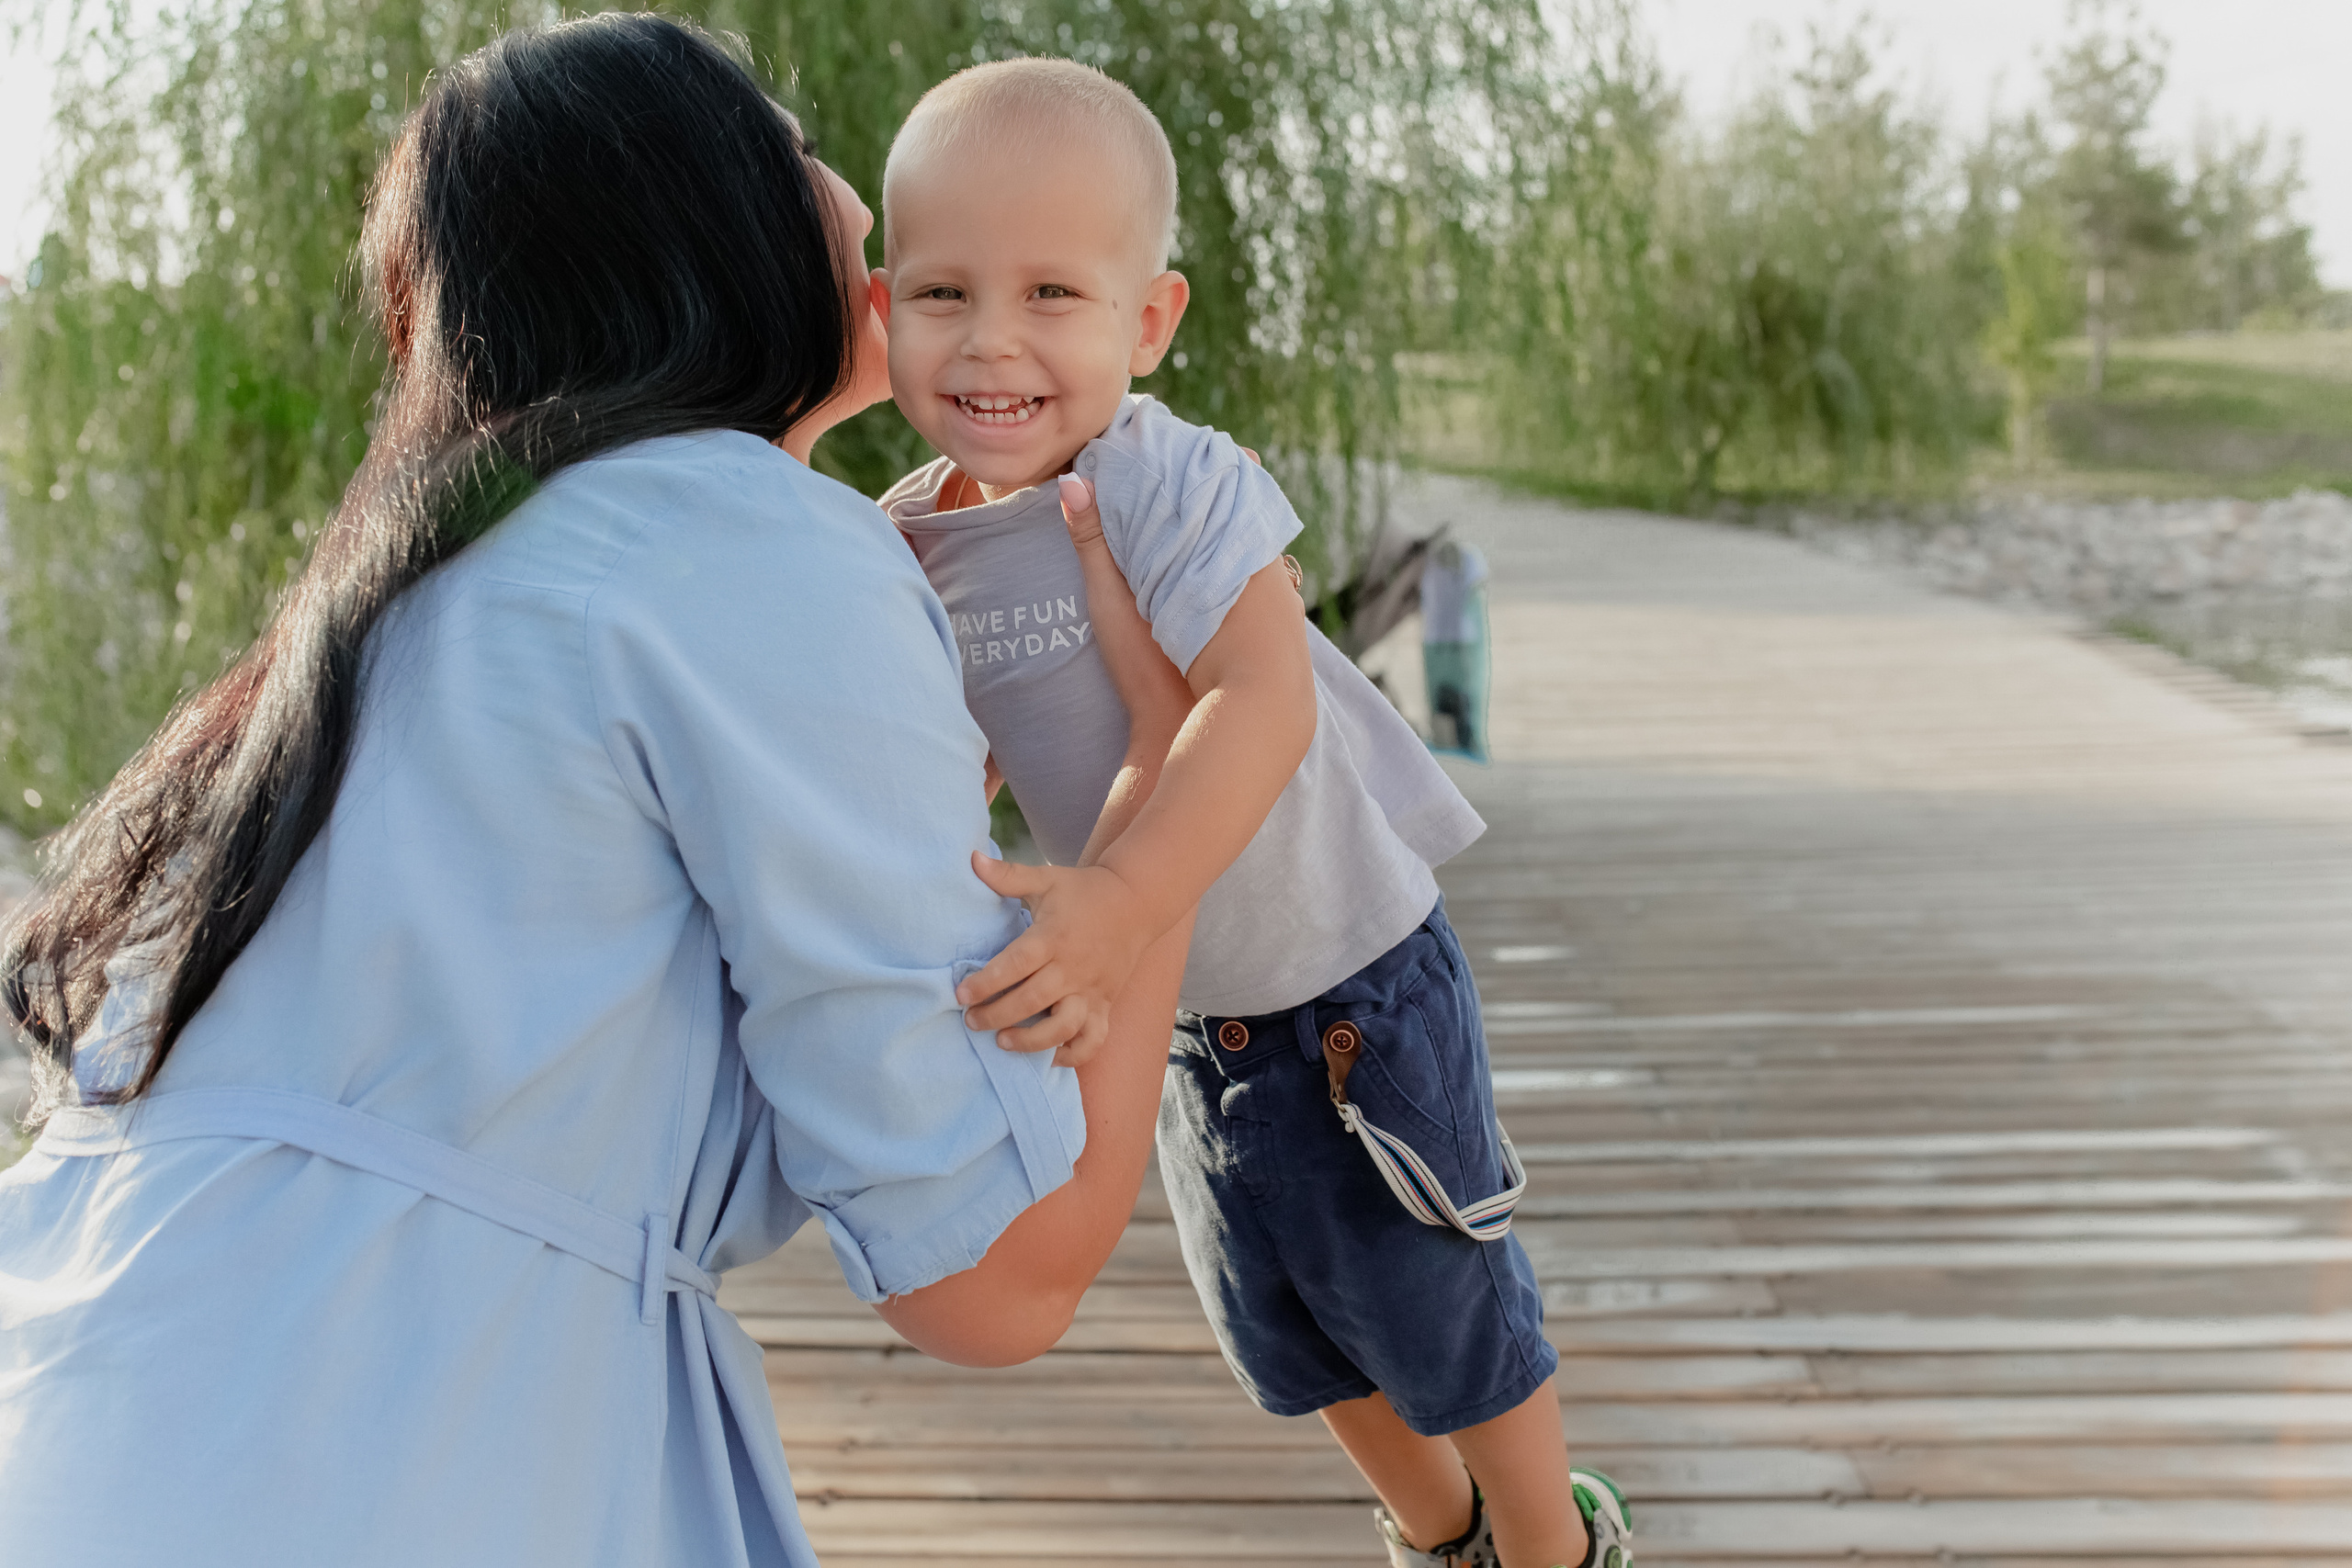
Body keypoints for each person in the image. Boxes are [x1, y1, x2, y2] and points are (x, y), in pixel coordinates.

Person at [0, 17, 1190, 1566]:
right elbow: (997, 1273)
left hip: (101, 1403)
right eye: (800, 150)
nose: (857, 205)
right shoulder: (745, 534)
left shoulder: (415, 577)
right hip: (382, 1444)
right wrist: (1156, 820)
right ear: (708, 223)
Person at [867, 58, 1634, 1568]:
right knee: (1284, 1319)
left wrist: (1127, 900)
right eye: (945, 295)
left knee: (1442, 1293)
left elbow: (1259, 700)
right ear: (886, 305)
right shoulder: (913, 543)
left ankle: (1553, 1545)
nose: (993, 342)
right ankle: (1439, 1534)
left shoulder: (1164, 479)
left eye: (1053, 296)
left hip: (1348, 972)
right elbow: (955, 753)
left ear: (1149, 321)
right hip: (1185, 1009)